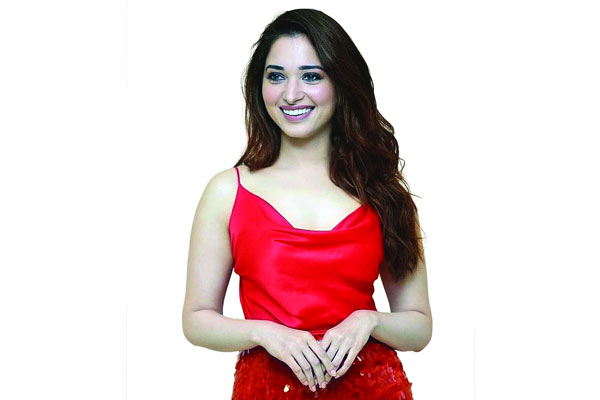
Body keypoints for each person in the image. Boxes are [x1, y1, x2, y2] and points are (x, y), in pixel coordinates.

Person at [182, 8, 432, 399]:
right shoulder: (227, 191)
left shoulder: (383, 191)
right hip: (268, 390)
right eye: (276, 76)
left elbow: (419, 326)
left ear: (341, 83)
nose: (291, 94)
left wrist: (369, 321)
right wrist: (264, 333)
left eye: (311, 76)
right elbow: (196, 319)